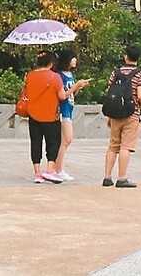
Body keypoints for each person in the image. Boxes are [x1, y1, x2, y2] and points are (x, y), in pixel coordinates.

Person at [23, 50, 83, 184]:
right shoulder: (55, 77)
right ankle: (50, 170)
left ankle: (37, 174)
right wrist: (76, 87)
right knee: (53, 143)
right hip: (50, 115)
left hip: (33, 114)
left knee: (36, 143)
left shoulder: (30, 75)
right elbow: (62, 96)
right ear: (50, 63)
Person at [102, 46, 141, 189]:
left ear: (125, 57)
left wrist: (110, 115)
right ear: (138, 59)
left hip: (115, 114)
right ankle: (122, 178)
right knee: (125, 147)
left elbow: (110, 93)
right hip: (132, 114)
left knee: (113, 146)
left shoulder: (116, 73)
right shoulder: (140, 74)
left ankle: (107, 177)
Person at [53, 49, 90, 182]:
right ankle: (58, 170)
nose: (75, 60)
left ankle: (57, 168)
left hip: (69, 109)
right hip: (62, 110)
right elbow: (62, 95)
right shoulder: (59, 75)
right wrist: (75, 86)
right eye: (72, 57)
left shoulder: (70, 74)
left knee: (65, 140)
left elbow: (72, 94)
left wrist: (78, 87)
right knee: (67, 139)